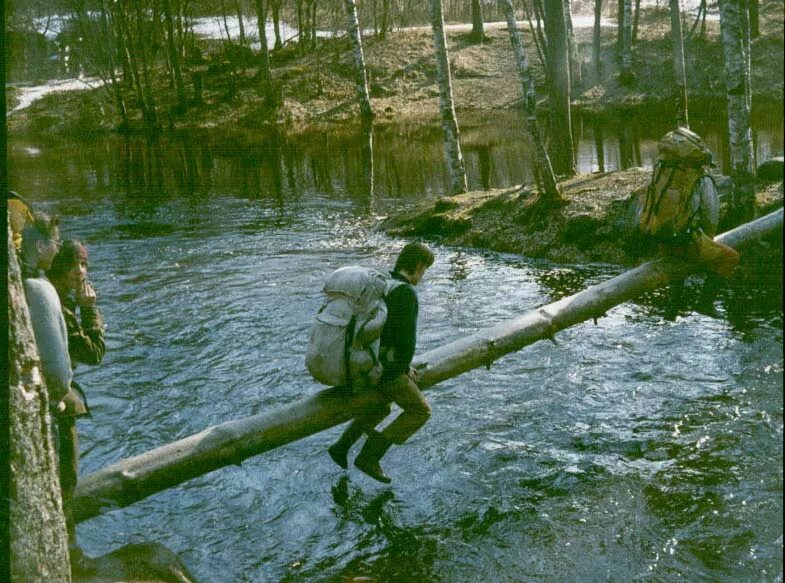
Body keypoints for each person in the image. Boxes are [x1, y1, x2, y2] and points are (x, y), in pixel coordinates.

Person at [327, 242, 435, 484]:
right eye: (425, 270)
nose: (423, 276)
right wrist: (403, 370)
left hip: (362, 363)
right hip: (383, 371)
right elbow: (406, 343)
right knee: (420, 411)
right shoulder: (406, 293)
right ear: (418, 266)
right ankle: (370, 456)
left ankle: (341, 446)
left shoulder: (383, 282)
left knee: (382, 407)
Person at [636, 128, 740, 318]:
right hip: (686, 243)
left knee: (679, 256)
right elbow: (710, 217)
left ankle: (672, 308)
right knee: (730, 258)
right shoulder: (702, 179)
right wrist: (707, 242)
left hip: (660, 239)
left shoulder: (661, 174)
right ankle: (705, 304)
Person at [46, 240, 105, 562]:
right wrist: (90, 309)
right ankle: (70, 554)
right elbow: (94, 353)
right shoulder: (64, 308)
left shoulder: (54, 298)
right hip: (58, 407)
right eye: (73, 264)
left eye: (84, 265)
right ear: (58, 265)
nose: (80, 272)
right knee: (66, 478)